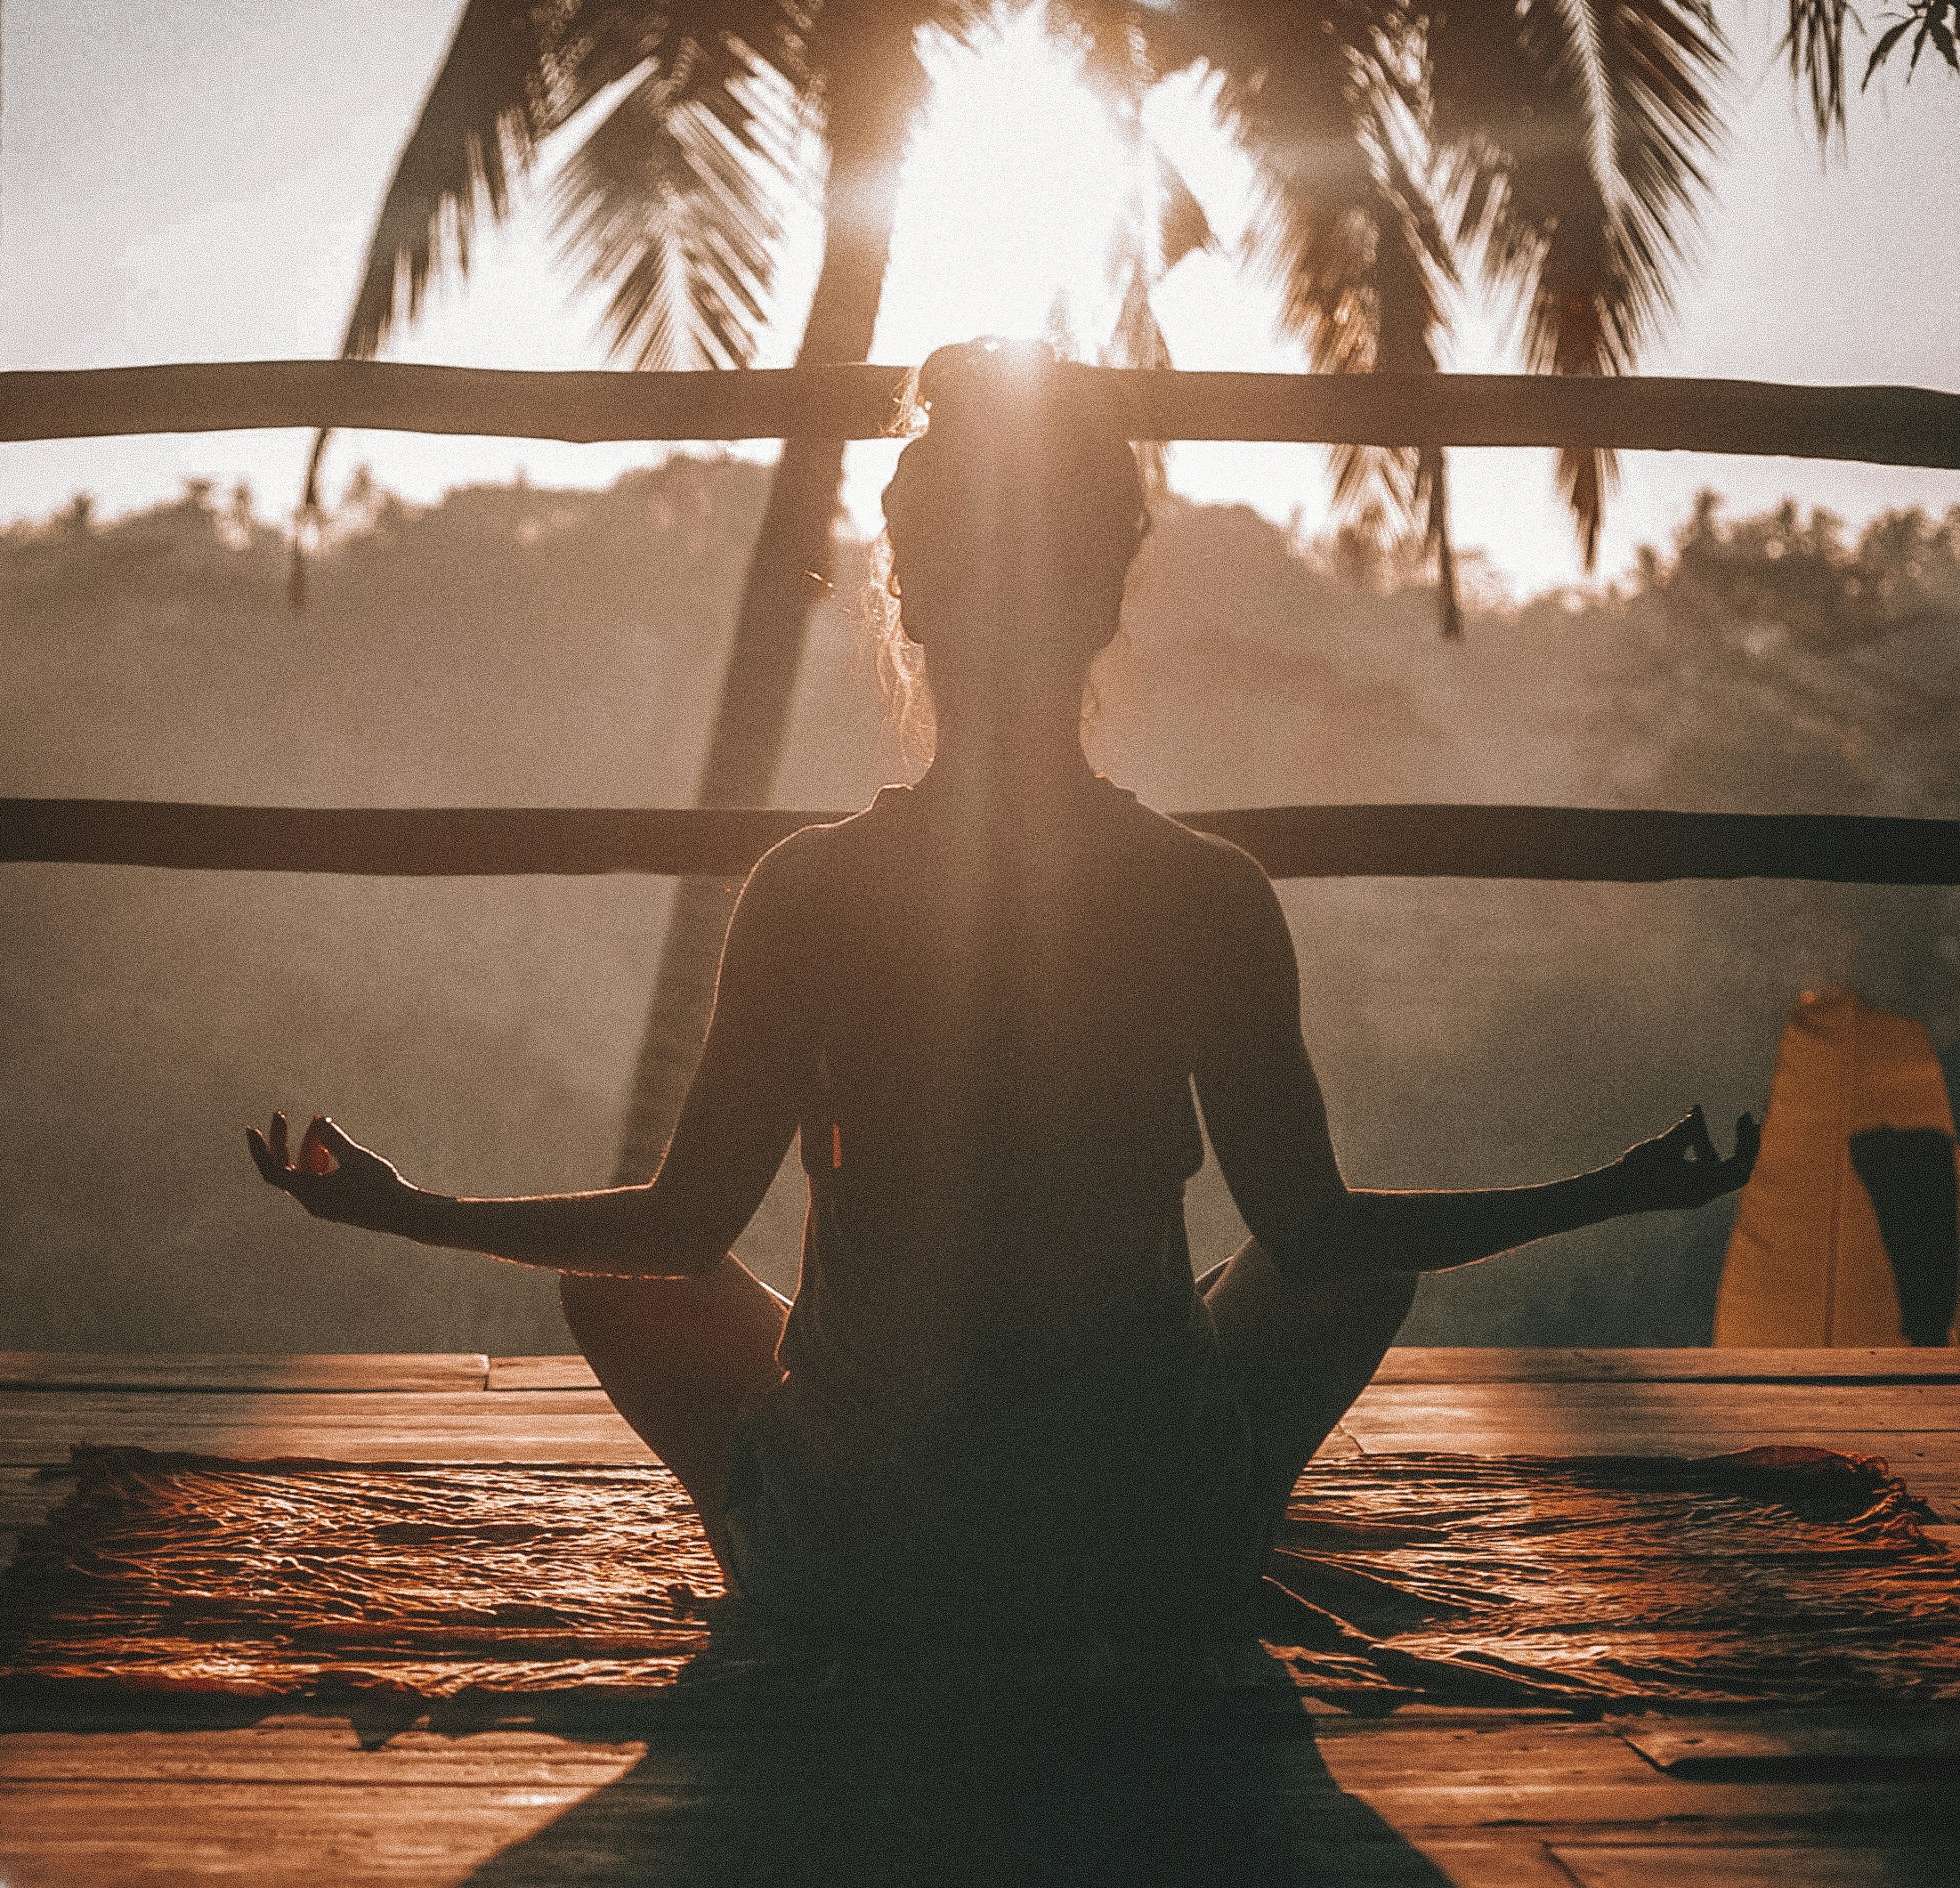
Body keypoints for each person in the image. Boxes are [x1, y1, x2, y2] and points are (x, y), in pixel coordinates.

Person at [250, 337, 1758, 1654]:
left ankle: (801, 1553)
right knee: (1350, 1262)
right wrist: (1608, 1189)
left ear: (909, 602)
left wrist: (409, 1210)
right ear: (1103, 604)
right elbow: (1318, 1235)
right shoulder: (1205, 889)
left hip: (863, 1561)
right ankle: (1213, 1537)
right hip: (1142, 1551)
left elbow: (677, 1232)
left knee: (619, 1282)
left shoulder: (812, 889)